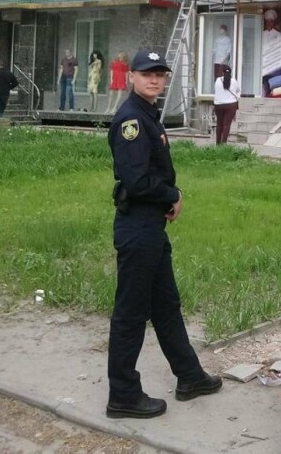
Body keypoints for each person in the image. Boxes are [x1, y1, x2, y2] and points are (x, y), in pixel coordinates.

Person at [106, 49, 222, 419]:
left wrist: (168, 197)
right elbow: (137, 180)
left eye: (159, 74)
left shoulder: (147, 115)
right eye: (146, 73)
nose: (154, 79)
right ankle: (123, 395)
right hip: (138, 227)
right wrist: (172, 195)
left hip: (150, 226)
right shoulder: (133, 121)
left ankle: (190, 377)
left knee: (166, 305)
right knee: (130, 313)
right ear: (132, 77)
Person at [212, 66, 241, 145]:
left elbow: (216, 91)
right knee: (226, 124)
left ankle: (218, 144)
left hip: (218, 104)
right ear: (230, 72)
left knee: (219, 124)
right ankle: (224, 144)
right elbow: (238, 91)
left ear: (222, 72)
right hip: (231, 105)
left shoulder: (218, 80)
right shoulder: (234, 81)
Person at [261, 9, 281, 97]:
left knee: (273, 83)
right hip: (264, 63)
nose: (269, 23)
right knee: (264, 82)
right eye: (268, 21)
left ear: (273, 22)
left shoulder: (278, 34)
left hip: (274, 64)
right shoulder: (261, 34)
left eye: (271, 21)